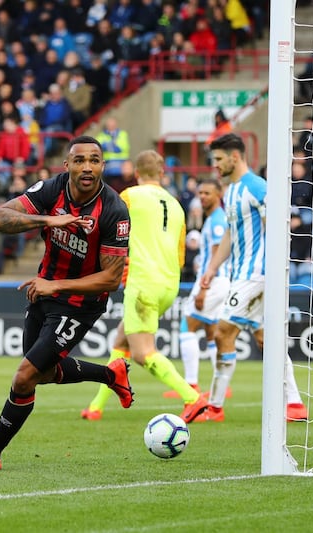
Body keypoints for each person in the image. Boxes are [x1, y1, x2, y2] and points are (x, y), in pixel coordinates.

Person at [0, 136, 134, 472]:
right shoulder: (52, 190)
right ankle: (111, 373)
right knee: (41, 374)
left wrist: (54, 285)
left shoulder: (114, 210)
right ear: (67, 164)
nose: (87, 167)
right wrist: (47, 220)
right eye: (80, 160)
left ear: (103, 165)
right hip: (43, 292)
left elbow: (111, 279)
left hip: (80, 302)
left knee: (24, 377)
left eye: (95, 160)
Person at [80, 150, 208, 423]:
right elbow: (181, 253)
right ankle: (96, 406)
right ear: (162, 173)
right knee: (121, 341)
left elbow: (105, 228)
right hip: (169, 284)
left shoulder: (129, 196)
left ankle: (192, 398)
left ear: (136, 173)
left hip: (142, 282)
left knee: (142, 352)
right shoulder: (176, 205)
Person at [198, 133, 308, 423]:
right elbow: (231, 236)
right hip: (241, 274)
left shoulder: (258, 187)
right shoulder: (232, 191)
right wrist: (211, 268)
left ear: (235, 157)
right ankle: (294, 403)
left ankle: (215, 407)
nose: (215, 166)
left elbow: (278, 228)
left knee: (223, 331)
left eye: (219, 159)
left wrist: (272, 272)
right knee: (265, 337)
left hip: (258, 275)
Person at [167, 177, 231, 398]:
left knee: (187, 326)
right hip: (218, 280)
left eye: (207, 193)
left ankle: (191, 385)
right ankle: (221, 383)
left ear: (218, 195)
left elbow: (216, 253)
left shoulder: (217, 221)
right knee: (211, 331)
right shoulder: (215, 218)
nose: (202, 197)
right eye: (200, 193)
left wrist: (204, 288)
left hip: (212, 280)